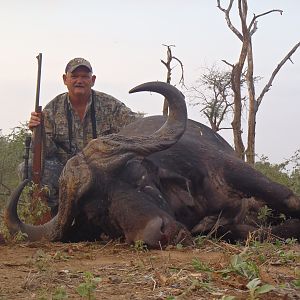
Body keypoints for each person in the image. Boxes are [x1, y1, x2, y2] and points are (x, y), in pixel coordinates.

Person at [26, 57, 139, 213]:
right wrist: (37, 132)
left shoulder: (111, 105)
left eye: (85, 76)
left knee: (136, 167)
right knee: (28, 167)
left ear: (92, 80)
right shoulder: (52, 109)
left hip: (104, 172)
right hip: (66, 173)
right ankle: (53, 216)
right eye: (74, 76)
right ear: (65, 79)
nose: (79, 80)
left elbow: (136, 128)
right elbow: (48, 152)